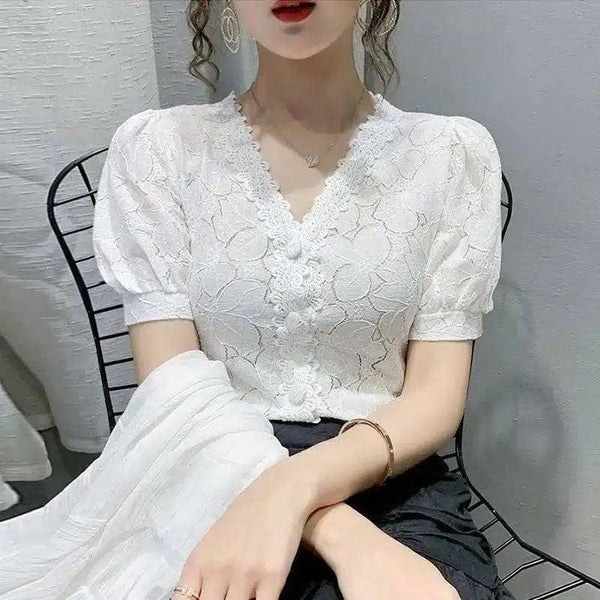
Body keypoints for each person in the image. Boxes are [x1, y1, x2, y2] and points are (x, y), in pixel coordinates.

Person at [0, 1, 516, 599]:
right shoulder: (160, 150)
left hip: (384, 470)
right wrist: (338, 533)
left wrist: (298, 489)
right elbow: (173, 387)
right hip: (202, 466)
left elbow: (435, 396)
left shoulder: (450, 156)